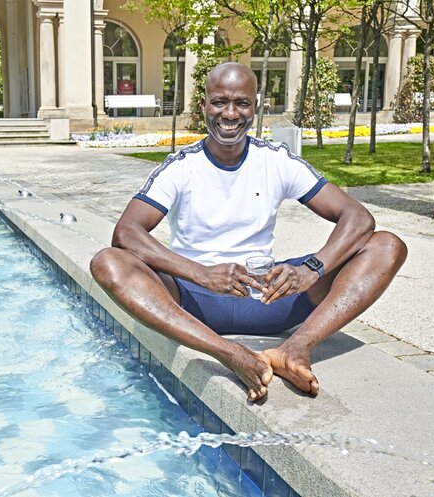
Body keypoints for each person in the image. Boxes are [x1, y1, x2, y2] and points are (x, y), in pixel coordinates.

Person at [90, 62, 407, 402]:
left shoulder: (276, 160)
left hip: (269, 297)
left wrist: (311, 269)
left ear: (256, 108)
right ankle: (228, 353)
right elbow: (126, 232)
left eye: (241, 103)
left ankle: (295, 349)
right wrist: (200, 274)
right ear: (204, 106)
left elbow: (357, 218)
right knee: (108, 262)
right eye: (219, 101)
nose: (230, 113)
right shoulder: (181, 167)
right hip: (193, 302)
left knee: (387, 246)